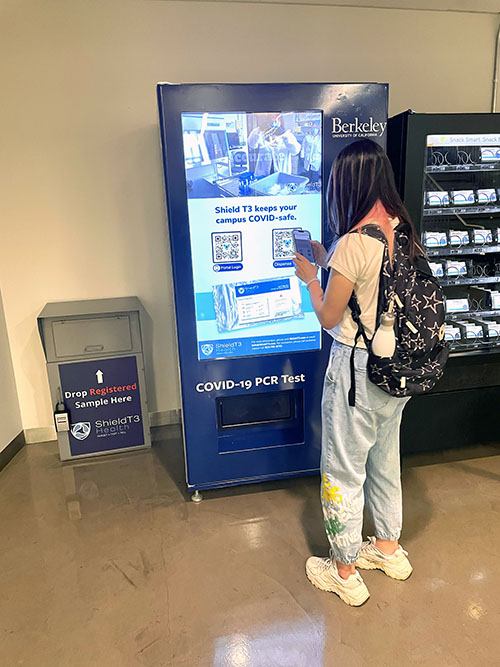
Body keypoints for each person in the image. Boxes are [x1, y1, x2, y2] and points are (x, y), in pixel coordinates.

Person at [293, 139, 422, 607]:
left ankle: (344, 569)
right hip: (397, 369)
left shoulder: (353, 242)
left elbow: (330, 316)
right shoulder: (402, 228)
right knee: (385, 460)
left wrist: (311, 275)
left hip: (355, 373)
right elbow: (374, 288)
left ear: (348, 183)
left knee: (343, 471)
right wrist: (331, 263)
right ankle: (388, 549)